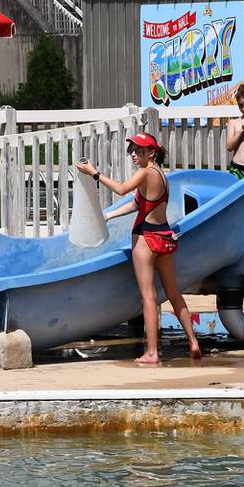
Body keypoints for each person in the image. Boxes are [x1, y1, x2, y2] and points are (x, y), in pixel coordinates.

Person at [74, 132, 203, 367]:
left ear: (151, 152)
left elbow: (122, 189)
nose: (134, 154)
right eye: (132, 150)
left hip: (145, 238)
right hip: (164, 236)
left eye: (139, 150)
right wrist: (110, 215)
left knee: (149, 297)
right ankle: (193, 341)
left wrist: (94, 173)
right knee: (173, 293)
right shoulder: (161, 176)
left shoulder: (145, 172)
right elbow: (139, 202)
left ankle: (152, 352)